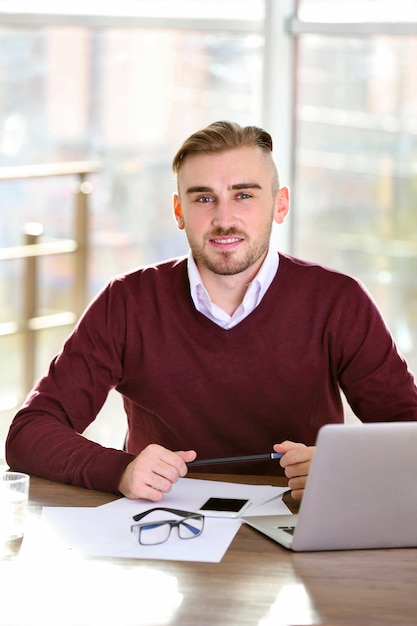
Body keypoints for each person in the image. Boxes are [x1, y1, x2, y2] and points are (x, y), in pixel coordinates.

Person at [6, 121, 417, 502]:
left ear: (280, 204)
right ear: (179, 212)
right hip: (163, 528)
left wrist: (344, 470)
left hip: (299, 523)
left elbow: (409, 434)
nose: (224, 219)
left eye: (243, 195)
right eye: (204, 198)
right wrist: (121, 470)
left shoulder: (338, 301)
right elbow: (29, 434)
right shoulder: (127, 302)